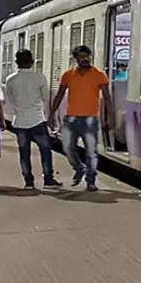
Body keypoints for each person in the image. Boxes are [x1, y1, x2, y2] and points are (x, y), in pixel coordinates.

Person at [49, 45, 110, 191]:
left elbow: (107, 98)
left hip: (91, 119)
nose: (86, 59)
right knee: (68, 148)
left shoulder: (99, 75)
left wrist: (109, 117)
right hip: (71, 119)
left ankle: (91, 180)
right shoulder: (68, 75)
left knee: (91, 152)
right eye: (82, 57)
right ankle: (79, 167)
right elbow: (59, 95)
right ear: (76, 58)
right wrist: (51, 113)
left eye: (88, 56)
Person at [4, 49, 60, 189]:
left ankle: (28, 181)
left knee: (24, 153)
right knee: (45, 150)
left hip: (20, 121)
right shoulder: (39, 78)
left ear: (16, 62)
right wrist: (50, 118)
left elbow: (10, 101)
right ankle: (48, 179)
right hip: (37, 120)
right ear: (32, 61)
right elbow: (46, 99)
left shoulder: (10, 79)